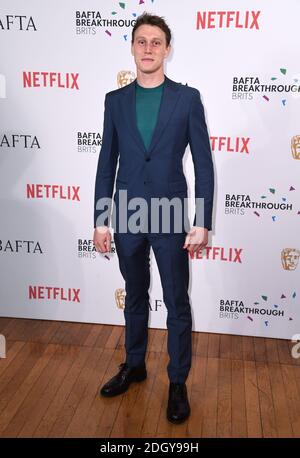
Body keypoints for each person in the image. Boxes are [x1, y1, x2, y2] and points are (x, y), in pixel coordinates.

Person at [93, 12, 214, 424]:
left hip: (170, 214)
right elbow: (106, 164)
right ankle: (135, 364)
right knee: (136, 295)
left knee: (177, 300)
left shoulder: (187, 98)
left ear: (167, 49)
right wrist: (100, 219)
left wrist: (203, 220)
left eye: (155, 42)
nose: (148, 49)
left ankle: (177, 381)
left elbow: (204, 163)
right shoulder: (115, 101)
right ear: (131, 47)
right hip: (126, 213)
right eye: (141, 41)